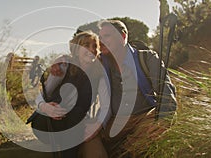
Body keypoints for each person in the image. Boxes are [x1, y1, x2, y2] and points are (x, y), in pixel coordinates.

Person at [50, 19, 177, 157]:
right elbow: (78, 56)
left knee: (160, 120)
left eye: (107, 36)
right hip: (113, 123)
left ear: (123, 37)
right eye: (100, 37)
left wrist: (163, 120)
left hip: (143, 118)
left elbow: (166, 92)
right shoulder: (100, 61)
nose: (101, 41)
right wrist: (60, 60)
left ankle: (128, 149)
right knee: (89, 138)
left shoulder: (147, 58)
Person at [34, 31, 110, 158]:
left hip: (75, 124)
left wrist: (96, 126)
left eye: (95, 46)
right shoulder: (63, 67)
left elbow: (106, 105)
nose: (92, 49)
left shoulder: (99, 75)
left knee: (77, 117)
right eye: (86, 45)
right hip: (49, 123)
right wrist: (45, 107)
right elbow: (41, 96)